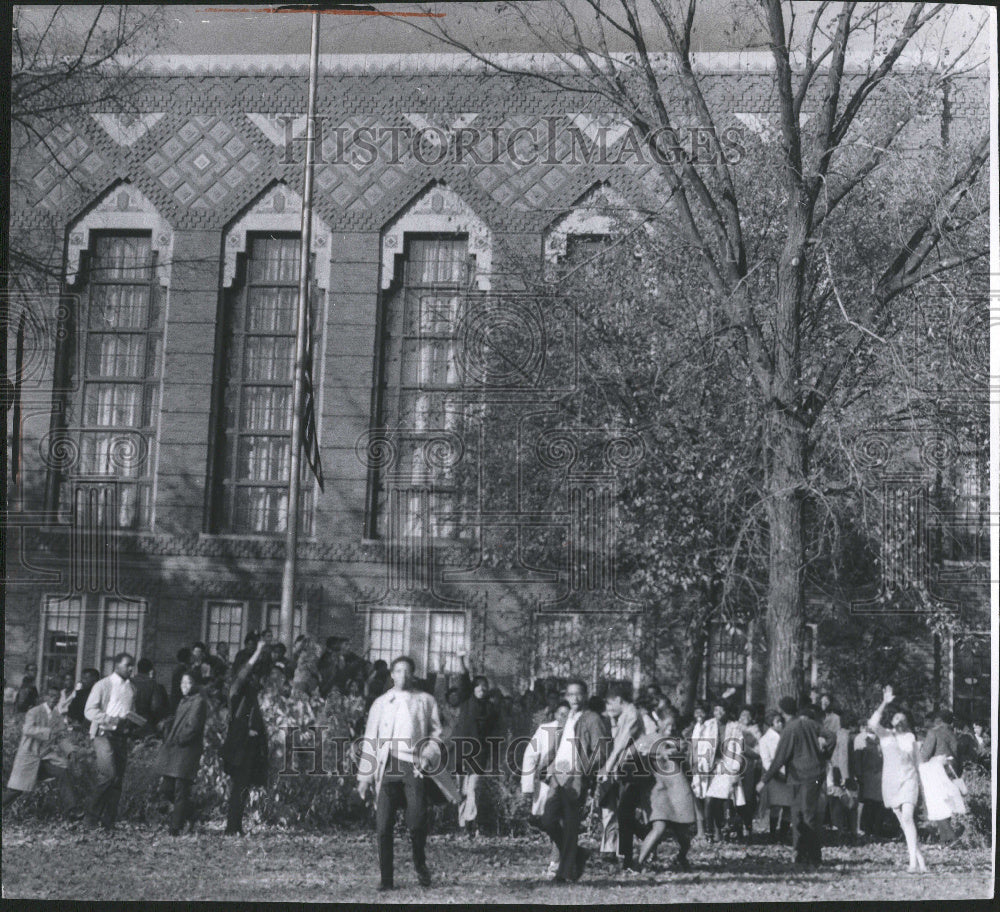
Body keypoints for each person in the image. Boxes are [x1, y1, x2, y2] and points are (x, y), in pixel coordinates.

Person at [357, 655, 455, 891]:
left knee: (417, 822)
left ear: (413, 674)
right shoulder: (382, 702)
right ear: (392, 674)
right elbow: (371, 739)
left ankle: (420, 865)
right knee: (383, 826)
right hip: (388, 766)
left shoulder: (425, 700)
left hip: (414, 767)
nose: (403, 675)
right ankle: (387, 878)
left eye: (407, 671)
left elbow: (440, 732)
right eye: (398, 671)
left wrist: (427, 754)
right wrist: (364, 777)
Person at [538, 679, 611, 884]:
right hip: (558, 776)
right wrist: (548, 764)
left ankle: (564, 872)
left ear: (586, 695)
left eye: (579, 694)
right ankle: (577, 854)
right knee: (548, 820)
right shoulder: (568, 716)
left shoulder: (592, 719)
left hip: (577, 777)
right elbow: (560, 745)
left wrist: (584, 769)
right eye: (571, 695)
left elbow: (602, 751)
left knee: (570, 826)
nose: (575, 698)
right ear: (566, 697)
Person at [756, 695, 827, 867]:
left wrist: (764, 780)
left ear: (782, 711)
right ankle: (807, 855)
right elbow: (831, 737)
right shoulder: (811, 724)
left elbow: (780, 757)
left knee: (801, 816)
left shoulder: (789, 729)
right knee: (804, 815)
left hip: (798, 777)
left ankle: (807, 855)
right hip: (813, 775)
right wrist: (823, 754)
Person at [867, 685, 926, 873]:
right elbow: (872, 723)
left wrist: (923, 787)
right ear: (892, 720)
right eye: (896, 717)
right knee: (903, 822)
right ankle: (920, 858)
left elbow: (918, 763)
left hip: (909, 780)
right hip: (891, 783)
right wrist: (884, 702)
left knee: (908, 817)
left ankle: (913, 863)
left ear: (907, 721)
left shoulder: (910, 737)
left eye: (903, 718)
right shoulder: (885, 735)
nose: (899, 720)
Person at [3, 683, 83, 817]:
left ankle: (72, 809)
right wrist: (48, 732)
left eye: (57, 697)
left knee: (63, 773)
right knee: (16, 790)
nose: (54, 699)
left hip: (45, 757)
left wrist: (70, 751)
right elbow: (27, 729)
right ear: (45, 697)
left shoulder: (57, 716)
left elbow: (61, 737)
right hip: (29, 756)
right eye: (51, 696)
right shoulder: (34, 712)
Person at [633, 709, 697, 872]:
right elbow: (633, 755)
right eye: (667, 723)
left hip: (678, 788)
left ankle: (682, 856)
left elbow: (680, 751)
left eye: (673, 725)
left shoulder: (676, 741)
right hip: (657, 789)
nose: (670, 727)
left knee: (683, 834)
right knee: (659, 826)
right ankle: (638, 863)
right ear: (658, 722)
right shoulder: (645, 740)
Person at [221, 638, 270, 835]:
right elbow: (244, 672)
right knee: (239, 787)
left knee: (242, 787)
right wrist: (257, 651)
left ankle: (235, 826)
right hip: (241, 745)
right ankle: (232, 827)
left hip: (249, 745)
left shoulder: (249, 694)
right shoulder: (236, 690)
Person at [84, 652, 138, 831]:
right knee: (108, 775)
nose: (131, 668)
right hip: (103, 734)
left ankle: (109, 822)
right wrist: (111, 719)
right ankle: (90, 818)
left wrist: (132, 722)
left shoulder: (132, 688)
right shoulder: (103, 685)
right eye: (128, 665)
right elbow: (89, 711)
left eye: (133, 665)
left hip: (121, 737)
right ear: (116, 665)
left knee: (117, 780)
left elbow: (131, 710)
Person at [597, 683, 647, 873]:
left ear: (619, 700)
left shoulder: (632, 714)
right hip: (627, 767)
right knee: (623, 813)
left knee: (625, 812)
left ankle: (629, 856)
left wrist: (607, 767)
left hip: (635, 767)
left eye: (611, 704)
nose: (610, 708)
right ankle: (642, 840)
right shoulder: (624, 715)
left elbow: (621, 743)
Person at [521, 700, 571, 876]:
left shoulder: (575, 731)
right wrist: (527, 787)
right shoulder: (544, 731)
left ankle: (555, 863)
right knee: (548, 822)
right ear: (555, 715)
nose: (564, 717)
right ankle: (565, 855)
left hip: (567, 785)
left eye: (568, 714)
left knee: (561, 821)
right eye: (561, 714)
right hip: (544, 784)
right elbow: (530, 756)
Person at [155, 672, 208, 835]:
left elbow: (193, 726)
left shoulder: (198, 701)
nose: (184, 686)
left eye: (188, 683)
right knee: (167, 788)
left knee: (180, 789)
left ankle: (175, 828)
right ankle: (191, 815)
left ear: (196, 684)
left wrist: (178, 738)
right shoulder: (183, 701)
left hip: (186, 750)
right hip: (176, 749)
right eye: (182, 683)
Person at [452, 674, 500, 837]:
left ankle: (469, 823)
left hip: (479, 753)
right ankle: (462, 823)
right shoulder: (466, 701)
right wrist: (462, 659)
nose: (481, 689)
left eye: (484, 686)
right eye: (478, 686)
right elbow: (463, 680)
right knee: (461, 789)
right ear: (473, 688)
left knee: (473, 788)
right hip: (461, 751)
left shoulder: (491, 709)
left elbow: (493, 732)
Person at [918, 709, 965, 845]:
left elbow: (925, 755)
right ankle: (945, 840)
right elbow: (958, 756)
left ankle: (952, 837)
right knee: (946, 803)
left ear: (938, 720)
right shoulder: (953, 734)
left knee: (936, 804)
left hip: (936, 770)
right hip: (952, 770)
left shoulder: (934, 732)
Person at [705, 702, 745, 842]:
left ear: (727, 712)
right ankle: (709, 832)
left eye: (722, 710)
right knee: (710, 799)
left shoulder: (734, 727)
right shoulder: (708, 725)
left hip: (728, 766)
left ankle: (726, 829)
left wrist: (735, 770)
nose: (719, 713)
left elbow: (738, 749)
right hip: (712, 766)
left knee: (726, 800)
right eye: (716, 710)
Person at [756, 710, 792, 844]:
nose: (781, 723)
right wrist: (777, 773)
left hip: (788, 775)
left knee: (788, 806)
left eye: (781, 721)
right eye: (777, 721)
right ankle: (772, 834)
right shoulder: (765, 739)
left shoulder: (786, 736)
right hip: (775, 776)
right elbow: (766, 761)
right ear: (771, 723)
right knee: (776, 806)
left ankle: (783, 835)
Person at [687, 702, 714, 840]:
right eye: (696, 712)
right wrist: (693, 762)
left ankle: (712, 829)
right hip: (697, 766)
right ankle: (700, 830)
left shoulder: (711, 726)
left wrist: (705, 763)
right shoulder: (696, 727)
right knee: (697, 796)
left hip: (707, 765)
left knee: (709, 798)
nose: (698, 715)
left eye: (701, 712)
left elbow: (711, 747)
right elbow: (694, 746)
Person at [132, 658, 169, 734]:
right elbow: (156, 707)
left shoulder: (129, 681)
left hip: (130, 720)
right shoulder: (152, 684)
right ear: (151, 670)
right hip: (145, 723)